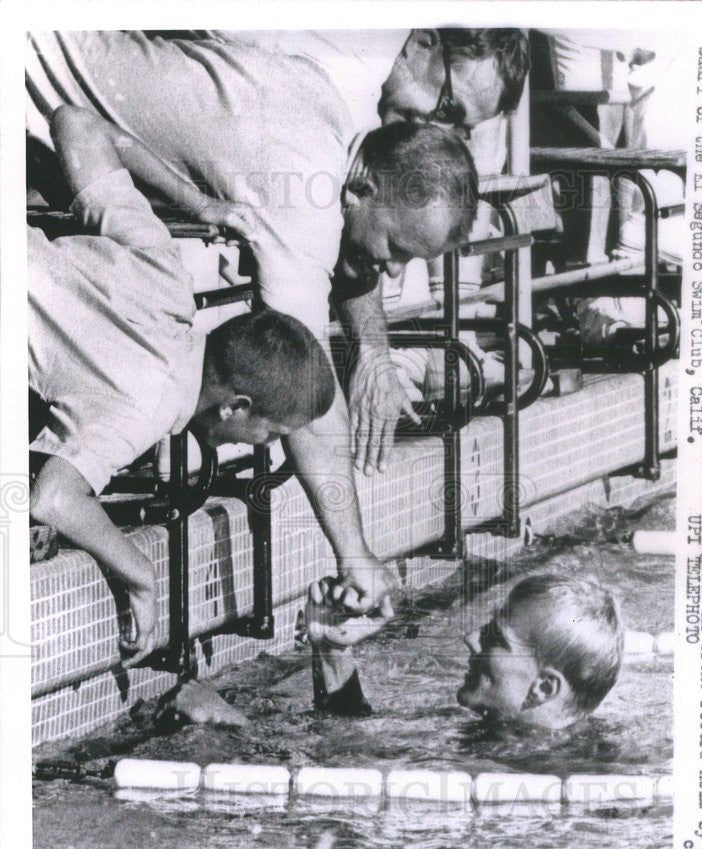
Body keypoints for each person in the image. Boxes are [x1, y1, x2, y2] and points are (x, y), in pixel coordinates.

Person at [26, 30, 480, 614]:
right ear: (359, 190)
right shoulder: (302, 205)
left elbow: (79, 120)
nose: (390, 274)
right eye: (396, 247)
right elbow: (301, 383)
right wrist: (355, 556)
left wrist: (195, 203)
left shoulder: (326, 115)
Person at [29, 105, 336, 666]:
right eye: (268, 433)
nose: (265, 448)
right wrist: (140, 574)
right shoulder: (145, 405)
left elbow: (77, 122)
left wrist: (200, 205)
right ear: (235, 407)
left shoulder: (167, 276)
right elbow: (53, 498)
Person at [307, 573, 623, 727]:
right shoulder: (493, 733)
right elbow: (347, 741)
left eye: (496, 640)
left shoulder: (528, 776)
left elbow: (342, 762)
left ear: (543, 688)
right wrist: (333, 649)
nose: (470, 639)